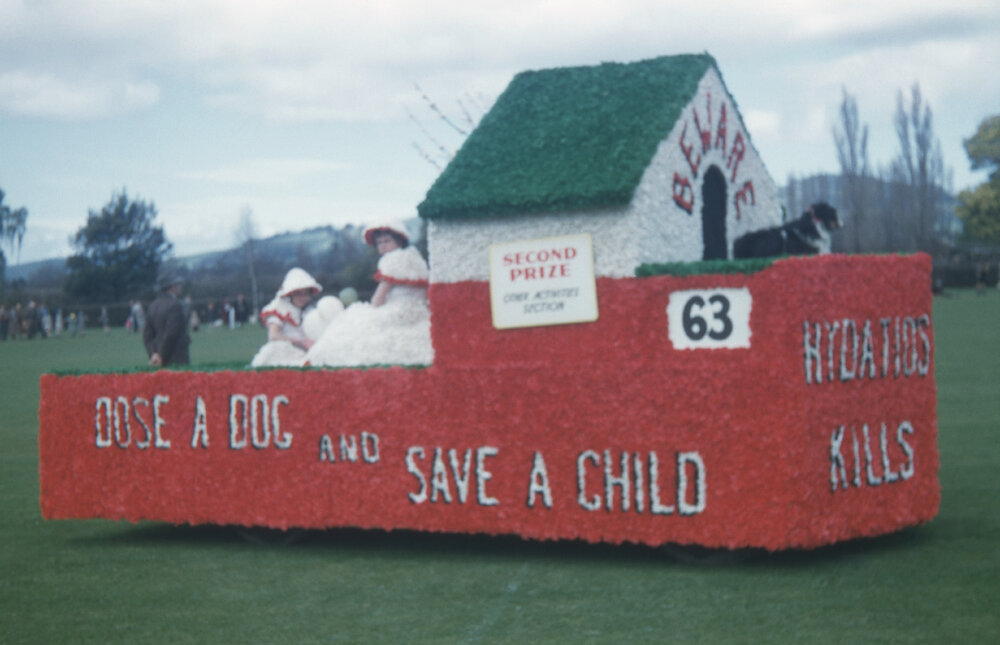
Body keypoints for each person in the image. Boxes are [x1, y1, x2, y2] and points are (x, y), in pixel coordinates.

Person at [305, 222, 432, 367]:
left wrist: (373, 307)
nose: (383, 245)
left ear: (399, 241)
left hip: (398, 311)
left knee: (354, 321)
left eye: (387, 241)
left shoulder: (392, 261)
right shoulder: (416, 259)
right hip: (419, 311)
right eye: (379, 242)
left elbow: (378, 299)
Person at [250, 268, 325, 367]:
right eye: (298, 294)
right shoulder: (280, 308)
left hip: (305, 350)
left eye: (306, 294)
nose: (302, 298)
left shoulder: (309, 310)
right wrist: (301, 342)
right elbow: (273, 335)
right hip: (284, 348)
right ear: (291, 294)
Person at [143, 271, 191, 367]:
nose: (180, 286)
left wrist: (153, 354)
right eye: (178, 284)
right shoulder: (175, 305)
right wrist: (161, 355)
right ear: (173, 287)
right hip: (176, 357)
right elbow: (171, 333)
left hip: (157, 358)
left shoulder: (153, 305)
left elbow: (147, 335)